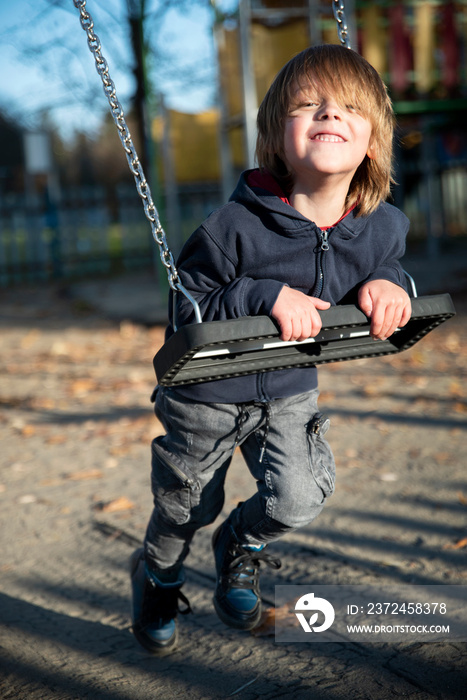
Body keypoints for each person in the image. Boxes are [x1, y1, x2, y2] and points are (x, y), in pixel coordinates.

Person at [130, 44, 412, 653]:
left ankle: (240, 545)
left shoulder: (383, 225)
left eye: (348, 108)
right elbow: (189, 307)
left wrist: (392, 286)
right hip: (206, 393)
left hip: (288, 387)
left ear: (372, 140)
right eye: (309, 105)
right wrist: (263, 294)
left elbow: (388, 267)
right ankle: (158, 576)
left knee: (298, 497)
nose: (329, 113)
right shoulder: (233, 226)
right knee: (185, 508)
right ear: (277, 139)